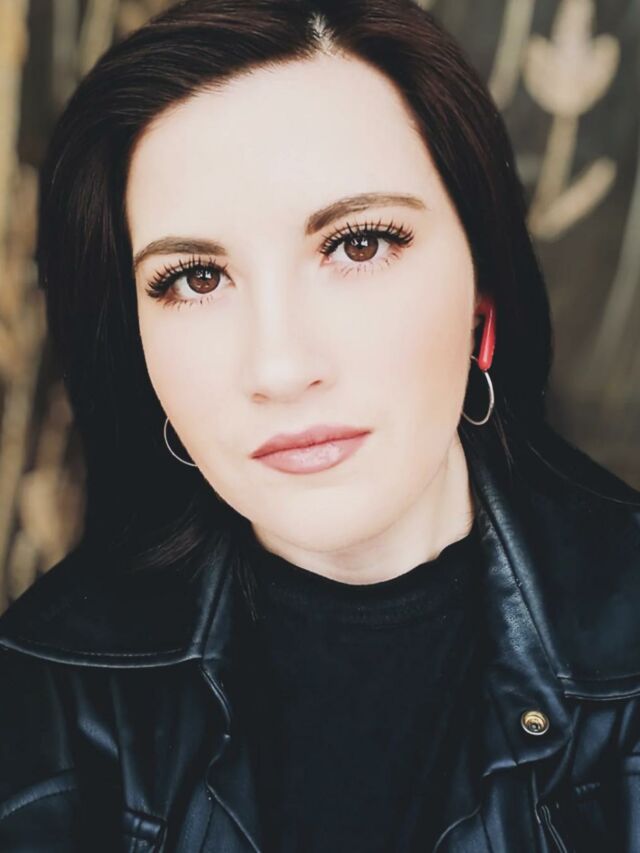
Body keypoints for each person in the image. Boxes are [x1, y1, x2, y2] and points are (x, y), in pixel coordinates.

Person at [0, 0, 638, 850]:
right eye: (195, 278)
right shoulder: (40, 694)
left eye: (359, 244)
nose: (279, 367)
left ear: (481, 295)